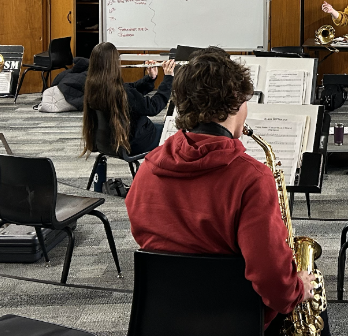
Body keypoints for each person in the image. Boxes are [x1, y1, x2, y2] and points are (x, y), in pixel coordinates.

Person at [125, 49, 322, 334]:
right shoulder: (251, 179)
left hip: (164, 318)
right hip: (235, 320)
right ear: (237, 103)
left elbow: (145, 235)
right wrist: (296, 290)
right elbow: (270, 278)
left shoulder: (149, 166)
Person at [80, 42, 174, 167]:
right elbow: (153, 106)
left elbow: (131, 89)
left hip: (106, 143)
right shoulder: (121, 92)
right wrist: (168, 78)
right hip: (132, 142)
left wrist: (150, 78)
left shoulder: (94, 87)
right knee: (173, 133)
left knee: (163, 127)